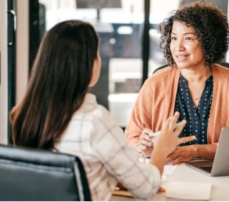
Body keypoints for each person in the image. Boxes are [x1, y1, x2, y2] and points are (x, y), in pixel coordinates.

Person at [9, 20, 195, 201]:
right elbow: (147, 187)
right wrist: (161, 149)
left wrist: (115, 177)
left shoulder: (24, 115)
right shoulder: (95, 121)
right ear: (86, 65)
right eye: (97, 54)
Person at [125, 1, 229, 165]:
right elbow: (132, 137)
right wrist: (145, 148)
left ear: (208, 40)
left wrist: (196, 151)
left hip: (217, 173)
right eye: (174, 38)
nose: (178, 47)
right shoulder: (155, 84)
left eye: (188, 38)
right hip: (166, 172)